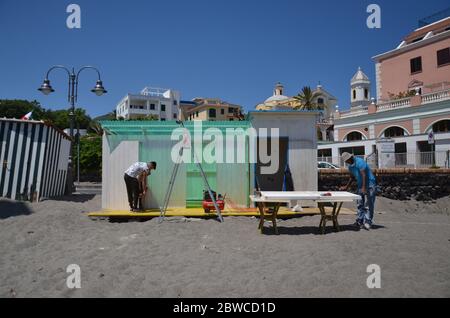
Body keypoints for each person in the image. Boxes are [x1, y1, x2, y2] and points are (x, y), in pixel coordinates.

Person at [339, 152, 376, 230]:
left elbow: (364, 175)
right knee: (359, 203)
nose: (346, 162)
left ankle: (368, 221)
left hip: (369, 184)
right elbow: (352, 177)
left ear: (350, 158)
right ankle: (360, 221)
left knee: (368, 204)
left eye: (347, 160)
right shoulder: (350, 166)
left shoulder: (360, 162)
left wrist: (363, 188)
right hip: (360, 185)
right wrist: (346, 186)